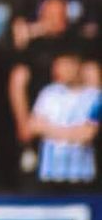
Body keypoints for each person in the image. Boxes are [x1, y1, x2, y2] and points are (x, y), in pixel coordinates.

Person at [28, 51, 100, 191]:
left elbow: (87, 134)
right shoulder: (48, 94)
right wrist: (73, 132)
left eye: (65, 65)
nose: (59, 70)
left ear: (77, 66)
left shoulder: (95, 98)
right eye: (57, 66)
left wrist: (50, 129)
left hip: (82, 176)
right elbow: (33, 127)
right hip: (49, 175)